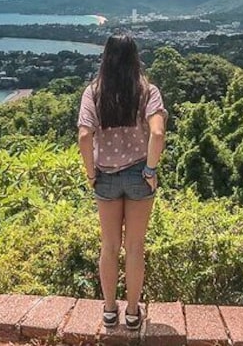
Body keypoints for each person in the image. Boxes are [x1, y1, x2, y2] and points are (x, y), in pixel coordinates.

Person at [77, 34, 167, 331]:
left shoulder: (93, 92)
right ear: (134, 58)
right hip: (140, 175)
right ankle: (131, 314)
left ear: (105, 58)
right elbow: (157, 133)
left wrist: (91, 174)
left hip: (105, 177)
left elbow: (84, 136)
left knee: (110, 246)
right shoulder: (148, 91)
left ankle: (108, 311)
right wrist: (151, 170)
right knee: (135, 247)